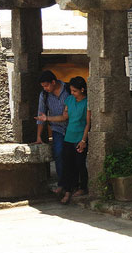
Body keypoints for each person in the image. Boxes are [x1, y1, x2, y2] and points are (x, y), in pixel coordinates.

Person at [37, 76, 91, 205]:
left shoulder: (88, 103)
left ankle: (82, 187)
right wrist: (47, 119)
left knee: (80, 164)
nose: (72, 93)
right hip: (69, 136)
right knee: (67, 165)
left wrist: (83, 140)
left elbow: (88, 124)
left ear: (82, 90)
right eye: (71, 91)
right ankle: (68, 190)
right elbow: (64, 117)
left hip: (80, 138)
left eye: (75, 91)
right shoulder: (69, 100)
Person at [36, 70, 70, 195]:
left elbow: (66, 116)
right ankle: (62, 184)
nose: (45, 89)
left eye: (46, 85)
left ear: (53, 82)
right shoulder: (44, 95)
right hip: (57, 129)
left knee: (73, 157)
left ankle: (73, 184)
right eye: (43, 87)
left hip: (72, 128)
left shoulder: (68, 90)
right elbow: (40, 115)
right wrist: (39, 136)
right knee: (59, 154)